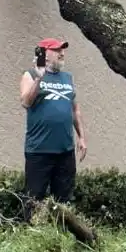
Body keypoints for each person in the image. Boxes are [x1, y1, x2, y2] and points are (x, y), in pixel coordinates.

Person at [19, 37, 87, 215]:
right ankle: (31, 235)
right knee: (34, 200)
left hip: (65, 151)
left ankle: (62, 235)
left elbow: (75, 111)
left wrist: (81, 138)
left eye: (62, 50)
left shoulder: (68, 78)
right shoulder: (30, 75)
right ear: (44, 54)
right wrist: (39, 79)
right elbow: (26, 102)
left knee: (64, 201)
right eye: (57, 50)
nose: (62, 53)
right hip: (39, 151)